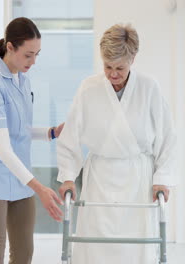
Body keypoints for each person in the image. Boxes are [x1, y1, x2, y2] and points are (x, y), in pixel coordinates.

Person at [57, 24, 177, 264]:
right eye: (107, 67)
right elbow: (71, 134)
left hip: (137, 180)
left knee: (135, 247)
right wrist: (68, 176)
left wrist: (162, 179)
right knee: (96, 246)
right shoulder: (89, 88)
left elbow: (167, 136)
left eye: (119, 68)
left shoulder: (149, 87)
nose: (113, 74)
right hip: (99, 178)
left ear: (133, 58)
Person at [0, 17, 64, 264]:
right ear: (10, 47)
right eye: (28, 55)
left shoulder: (23, 79)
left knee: (23, 253)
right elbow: (3, 148)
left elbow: (19, 130)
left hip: (21, 176)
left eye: (37, 55)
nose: (33, 62)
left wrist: (52, 132)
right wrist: (41, 188)